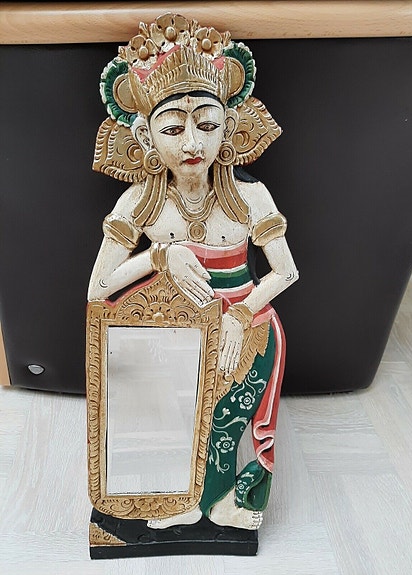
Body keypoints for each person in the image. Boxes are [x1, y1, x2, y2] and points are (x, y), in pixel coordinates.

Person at [88, 13, 299, 531]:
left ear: (229, 125)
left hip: (245, 326)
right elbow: (97, 289)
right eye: (173, 129)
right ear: (144, 135)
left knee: (223, 422)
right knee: (178, 418)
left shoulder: (249, 196)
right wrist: (158, 256)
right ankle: (180, 499)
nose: (191, 145)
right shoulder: (140, 202)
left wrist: (241, 314)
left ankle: (222, 502)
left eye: (206, 125)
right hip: (175, 330)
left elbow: (286, 272)